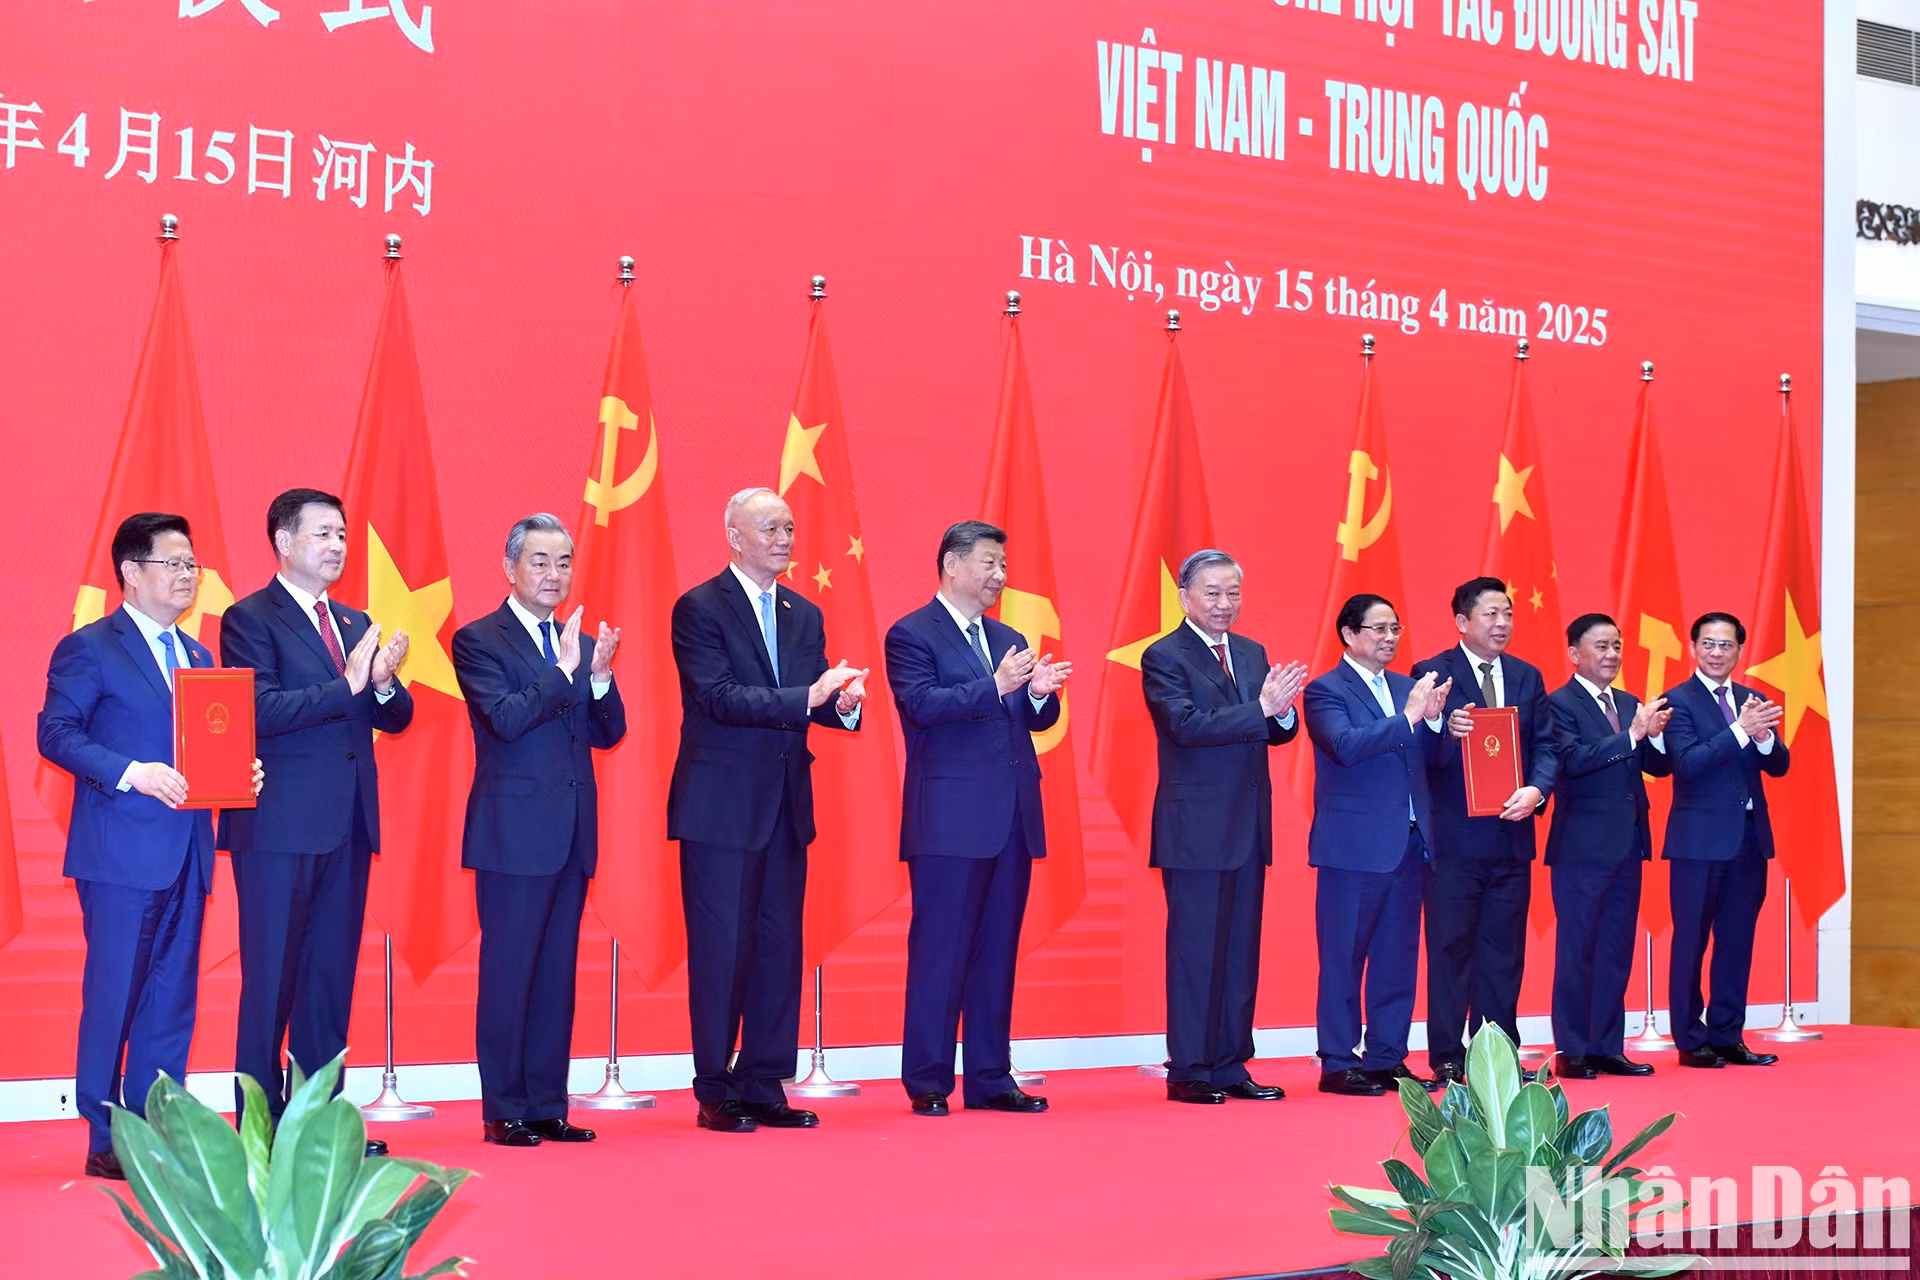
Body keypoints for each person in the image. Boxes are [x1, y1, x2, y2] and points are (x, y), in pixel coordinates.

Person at [38, 513, 261, 1179]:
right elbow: (56, 734)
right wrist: (131, 772)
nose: (188, 575)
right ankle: (106, 1134)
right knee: (115, 994)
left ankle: (159, 1124)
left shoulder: (199, 657)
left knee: (171, 999)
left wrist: (238, 773)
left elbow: (206, 749)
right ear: (131, 572)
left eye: (192, 564)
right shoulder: (90, 647)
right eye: (174, 563)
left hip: (187, 850)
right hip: (119, 854)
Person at [668, 487, 866, 1133]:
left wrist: (841, 703)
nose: (784, 540)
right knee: (721, 950)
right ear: (734, 536)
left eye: (788, 529)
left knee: (779, 948)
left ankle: (763, 1081)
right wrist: (808, 695)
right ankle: (715, 1087)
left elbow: (811, 700)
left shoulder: (803, 612)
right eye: (770, 528)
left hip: (785, 803)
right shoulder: (699, 607)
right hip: (720, 807)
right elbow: (719, 696)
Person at [219, 488, 412, 1155]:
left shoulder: (356, 622)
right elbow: (258, 710)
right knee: (270, 982)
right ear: (284, 541)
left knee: (329, 982)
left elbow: (394, 716)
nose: (337, 546)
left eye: (342, 534)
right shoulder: (249, 619)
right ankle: (261, 1129)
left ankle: (319, 1127)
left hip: (348, 826)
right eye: (323, 533)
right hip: (277, 828)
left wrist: (382, 683)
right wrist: (348, 685)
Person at [452, 514, 626, 1147]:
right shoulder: (479, 640)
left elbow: (609, 732)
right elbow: (503, 719)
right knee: (510, 973)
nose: (554, 575)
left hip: (572, 833)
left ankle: (548, 1103)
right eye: (540, 561)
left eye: (564, 563)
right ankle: (504, 1109)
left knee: (556, 975)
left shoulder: (577, 640)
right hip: (513, 835)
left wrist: (598, 677)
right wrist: (563, 671)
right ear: (510, 568)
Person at [888, 521, 1069, 1117]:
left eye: (1003, 565)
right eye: (990, 563)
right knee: (940, 952)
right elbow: (922, 706)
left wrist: (1037, 694)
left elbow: (1030, 721)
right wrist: (996, 685)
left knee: (996, 953)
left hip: (1011, 817)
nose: (1000, 576)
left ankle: (991, 1077)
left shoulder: (1008, 636)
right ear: (951, 564)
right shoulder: (912, 633)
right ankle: (928, 1080)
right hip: (949, 821)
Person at [1140, 549, 1302, 1105]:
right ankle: (1189, 1068)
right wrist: (1262, 708)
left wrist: (1282, 712)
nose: (1224, 603)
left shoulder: (1252, 652)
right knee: (1195, 953)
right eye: (1212, 592)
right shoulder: (1164, 656)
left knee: (1239, 952)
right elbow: (1185, 726)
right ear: (1184, 596)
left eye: (1233, 592)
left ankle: (1231, 1064)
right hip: (1196, 829)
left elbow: (1274, 729)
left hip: (1248, 825)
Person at [1303, 594, 1450, 1097]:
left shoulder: (1408, 688)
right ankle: (1338, 1061)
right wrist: (1410, 718)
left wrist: (1436, 722)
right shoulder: (1326, 691)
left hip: (1409, 844)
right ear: (1349, 634)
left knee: (1397, 959)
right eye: (1379, 629)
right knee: (1343, 958)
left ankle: (1388, 1057)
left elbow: (1432, 760)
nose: (1389, 638)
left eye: (1395, 629)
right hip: (1353, 849)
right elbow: (1345, 747)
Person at [1413, 576, 1558, 1085]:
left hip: (1511, 837)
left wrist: (1537, 790)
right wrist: (1440, 728)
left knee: (1503, 954)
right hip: (1454, 841)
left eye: (1508, 614)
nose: (1502, 623)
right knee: (1450, 950)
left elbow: (1546, 746)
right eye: (1491, 614)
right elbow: (1418, 754)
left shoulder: (1527, 676)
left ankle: (1498, 1055)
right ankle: (1448, 1056)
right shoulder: (1433, 672)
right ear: (1462, 621)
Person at [1543, 613, 1671, 1079]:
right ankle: (1573, 1050)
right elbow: (1572, 761)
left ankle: (1607, 1046)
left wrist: (1654, 736)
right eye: (1601, 646)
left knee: (1616, 949)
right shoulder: (1558, 704)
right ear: (1574, 654)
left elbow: (1657, 765)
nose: (1612, 654)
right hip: (1582, 847)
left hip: (1627, 844)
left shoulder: (1629, 702)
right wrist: (1632, 734)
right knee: (1577, 949)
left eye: (1617, 646)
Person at [1662, 612, 1788, 1069]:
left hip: (1749, 841)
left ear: (1740, 651)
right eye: (1709, 644)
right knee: (1691, 942)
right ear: (1693, 647)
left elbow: (1779, 765)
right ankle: (1690, 1039)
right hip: (1698, 845)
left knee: (1737, 942)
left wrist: (1765, 737)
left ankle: (1728, 1034)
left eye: (1726, 645)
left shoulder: (1752, 700)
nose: (1717, 653)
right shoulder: (1677, 701)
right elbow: (1687, 764)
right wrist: (1740, 731)